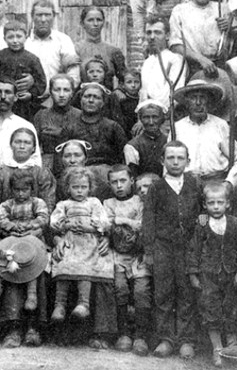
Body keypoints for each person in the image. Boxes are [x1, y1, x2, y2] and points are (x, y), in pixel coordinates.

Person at [143, 140, 204, 359]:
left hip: (188, 249)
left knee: (186, 292)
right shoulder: (156, 187)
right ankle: (166, 339)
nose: (176, 162)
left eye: (180, 158)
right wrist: (149, 250)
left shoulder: (194, 184)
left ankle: (187, 340)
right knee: (164, 293)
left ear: (188, 161)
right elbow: (148, 218)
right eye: (171, 158)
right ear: (162, 160)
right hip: (163, 247)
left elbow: (203, 211)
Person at [188, 181, 237, 367]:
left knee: (232, 309)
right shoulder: (202, 224)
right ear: (205, 205)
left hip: (231, 276)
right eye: (211, 203)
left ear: (228, 204)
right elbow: (194, 250)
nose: (216, 207)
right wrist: (193, 274)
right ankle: (217, 349)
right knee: (211, 310)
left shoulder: (234, 223)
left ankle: (233, 348)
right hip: (208, 276)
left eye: (220, 202)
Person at [50, 166, 114, 346]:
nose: (79, 191)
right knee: (63, 263)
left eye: (83, 187)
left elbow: (104, 222)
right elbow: (54, 221)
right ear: (68, 188)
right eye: (75, 187)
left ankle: (83, 304)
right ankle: (59, 305)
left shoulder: (93, 203)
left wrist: (91, 227)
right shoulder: (63, 204)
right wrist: (65, 225)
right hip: (70, 240)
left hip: (89, 242)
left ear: (89, 187)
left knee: (85, 266)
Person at [105, 164, 153, 356]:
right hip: (117, 255)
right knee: (120, 289)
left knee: (142, 290)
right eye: (114, 182)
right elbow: (104, 224)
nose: (119, 185)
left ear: (131, 181)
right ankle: (124, 333)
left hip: (139, 255)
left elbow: (144, 225)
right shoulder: (108, 203)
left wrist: (123, 220)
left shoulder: (140, 202)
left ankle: (141, 336)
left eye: (123, 181)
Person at [172, 77, 237, 199]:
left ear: (209, 101)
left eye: (202, 97)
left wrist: (229, 183)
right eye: (193, 98)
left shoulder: (220, 125)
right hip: (186, 188)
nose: (198, 103)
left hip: (215, 188)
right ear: (186, 102)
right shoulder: (177, 128)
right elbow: (168, 163)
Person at [0, 169, 50, 313]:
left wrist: (30, 225)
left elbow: (43, 218)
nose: (21, 194)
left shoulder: (37, 202)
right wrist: (13, 227)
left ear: (31, 189)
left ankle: (32, 294)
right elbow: (2, 219)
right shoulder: (7, 204)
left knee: (33, 260)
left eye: (25, 190)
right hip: (12, 235)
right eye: (17, 190)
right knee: (0, 253)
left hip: (32, 235)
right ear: (11, 189)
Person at [0, 128, 56, 239]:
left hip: (36, 233)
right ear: (11, 145)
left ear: (34, 148)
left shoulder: (42, 173)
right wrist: (5, 232)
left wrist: (38, 231)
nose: (22, 146)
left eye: (27, 142)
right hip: (3, 233)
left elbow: (49, 206)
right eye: (17, 142)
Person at [62, 82, 127, 198]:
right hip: (78, 175)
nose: (91, 100)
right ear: (80, 100)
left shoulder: (113, 127)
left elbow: (122, 156)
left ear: (102, 103)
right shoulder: (70, 127)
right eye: (87, 96)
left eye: (96, 97)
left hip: (106, 174)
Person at [169, 0, 231, 77]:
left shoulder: (222, 8)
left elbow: (233, 40)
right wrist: (201, 59)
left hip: (219, 65)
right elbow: (175, 46)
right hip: (191, 66)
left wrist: (228, 27)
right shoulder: (180, 10)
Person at [0, 20, 46, 121]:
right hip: (0, 102)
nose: (15, 41)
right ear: (4, 39)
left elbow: (41, 82)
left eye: (19, 36)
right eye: (10, 37)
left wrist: (31, 94)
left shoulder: (32, 59)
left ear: (26, 37)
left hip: (23, 105)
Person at [24, 0, 81, 106]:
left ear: (54, 16)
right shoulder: (23, 41)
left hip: (56, 102)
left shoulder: (63, 40)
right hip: (27, 100)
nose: (43, 19)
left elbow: (73, 75)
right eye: (39, 15)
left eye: (47, 15)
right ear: (32, 16)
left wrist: (56, 97)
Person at [33, 74, 81, 171]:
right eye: (57, 90)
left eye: (66, 90)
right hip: (47, 165)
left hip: (73, 164)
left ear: (72, 93)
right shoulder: (41, 115)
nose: (61, 95)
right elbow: (34, 146)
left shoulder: (80, 115)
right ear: (50, 92)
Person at [138, 16, 187, 108]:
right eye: (149, 33)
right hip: (146, 115)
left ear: (167, 35)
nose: (152, 37)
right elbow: (143, 94)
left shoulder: (175, 59)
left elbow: (175, 95)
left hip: (166, 114)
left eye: (157, 32)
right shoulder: (147, 62)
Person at [74, 7, 126, 89]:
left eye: (99, 20)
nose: (95, 24)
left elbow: (124, 78)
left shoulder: (113, 51)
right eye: (90, 20)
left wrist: (119, 92)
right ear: (82, 23)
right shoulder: (75, 50)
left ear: (103, 22)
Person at [124, 99, 168, 177]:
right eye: (146, 117)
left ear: (162, 119)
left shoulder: (168, 141)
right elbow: (133, 175)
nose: (151, 122)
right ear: (140, 119)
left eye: (155, 117)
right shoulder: (132, 146)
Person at [112, 69, 142, 136]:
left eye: (136, 82)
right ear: (122, 85)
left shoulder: (142, 99)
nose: (133, 85)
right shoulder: (121, 99)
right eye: (129, 82)